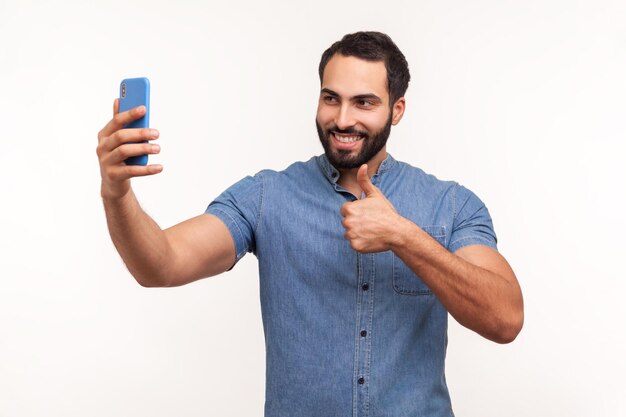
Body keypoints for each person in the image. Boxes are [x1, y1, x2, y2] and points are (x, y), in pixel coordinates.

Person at [97, 31, 523, 417]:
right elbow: (161, 265)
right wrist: (116, 195)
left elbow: (505, 319)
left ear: (397, 110)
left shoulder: (450, 204)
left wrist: (403, 236)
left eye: (364, 102)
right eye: (331, 98)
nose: (342, 120)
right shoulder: (266, 196)